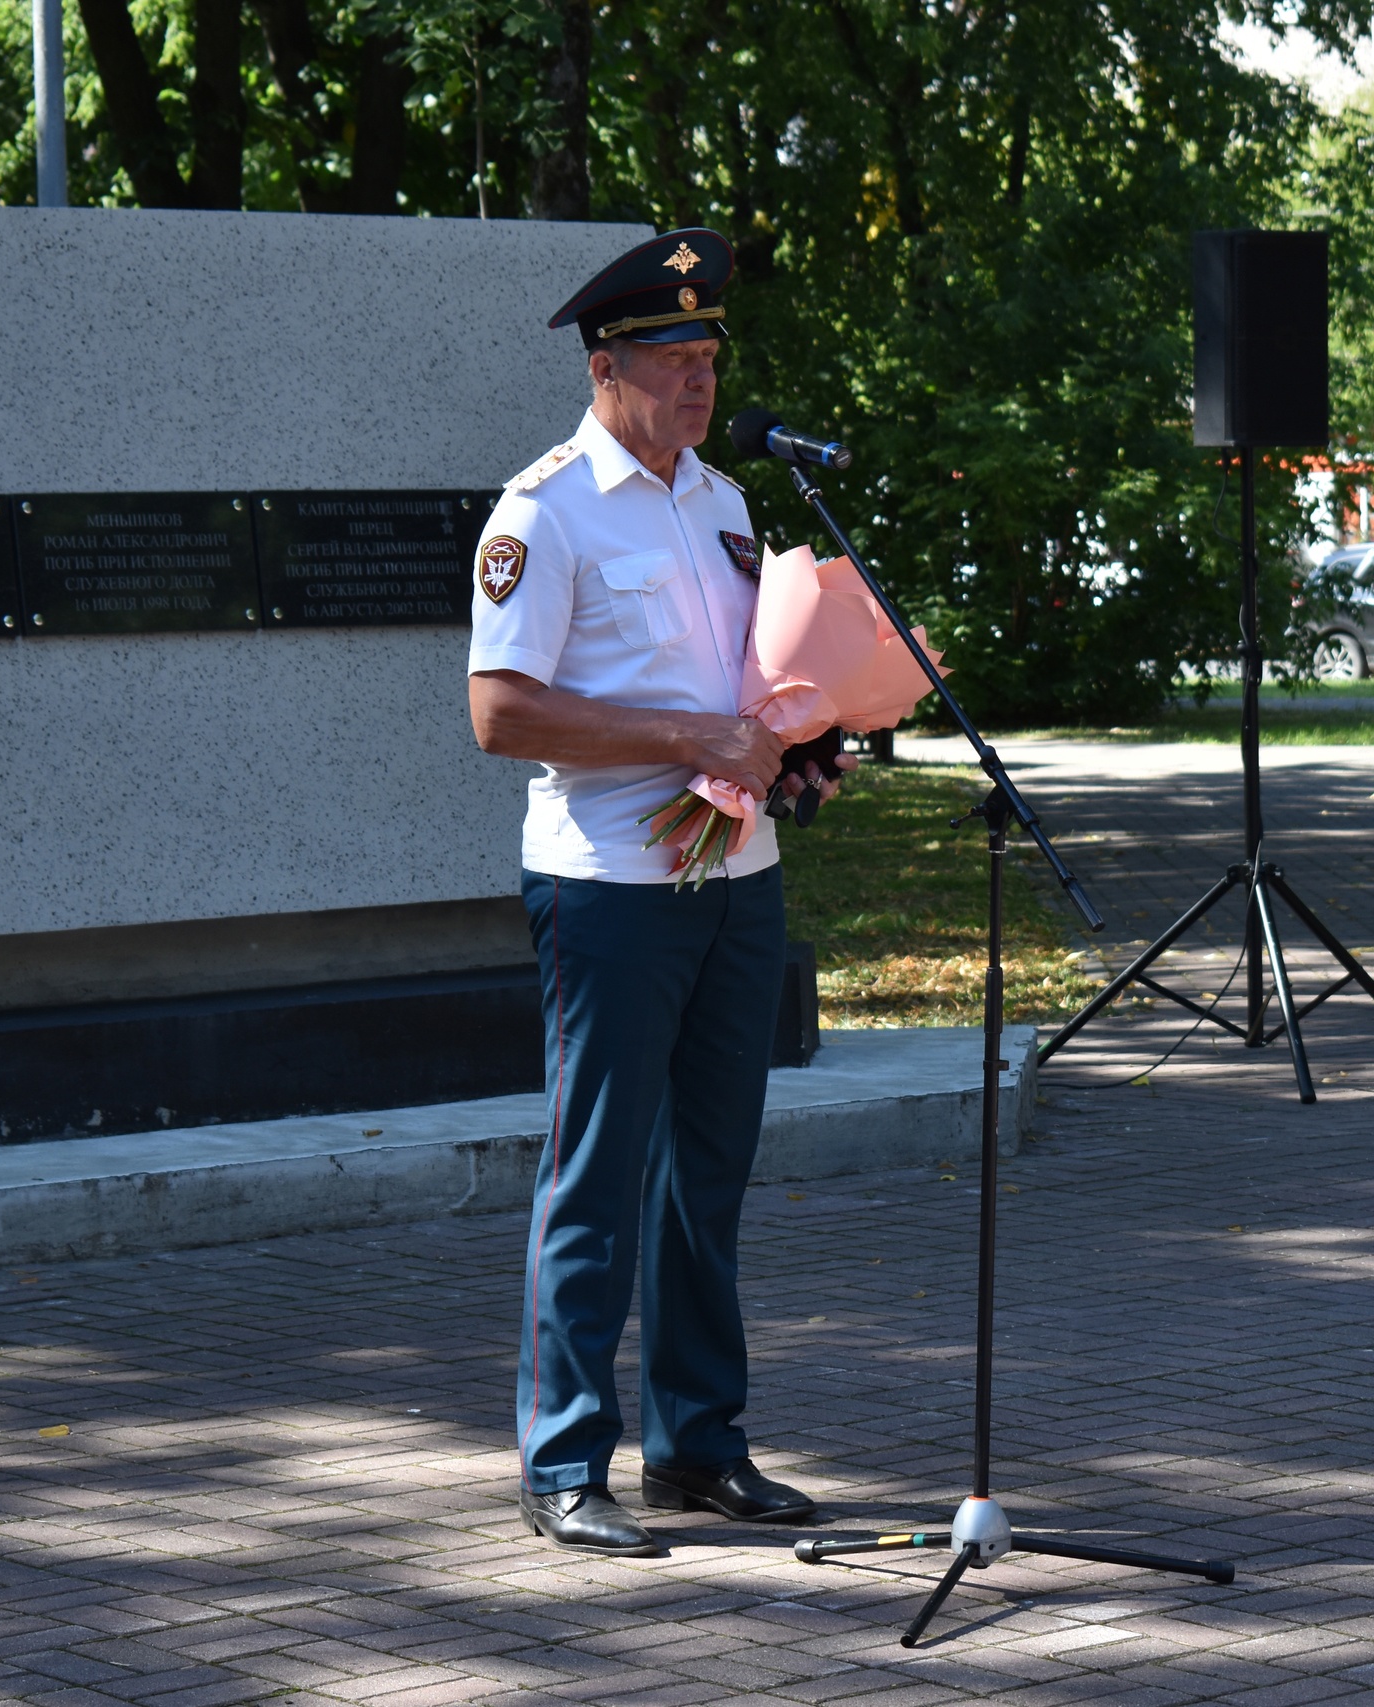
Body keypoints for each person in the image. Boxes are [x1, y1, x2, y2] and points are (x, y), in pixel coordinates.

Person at [467, 228, 853, 1557]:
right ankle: (566, 1460)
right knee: (599, 1175)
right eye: (673, 358)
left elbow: (750, 686)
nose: (699, 380)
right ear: (605, 365)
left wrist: (804, 749)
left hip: (737, 878)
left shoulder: (726, 504)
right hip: (611, 889)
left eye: (709, 355)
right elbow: (500, 713)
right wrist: (686, 743)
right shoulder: (545, 512)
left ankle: (699, 1444)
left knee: (709, 1176)